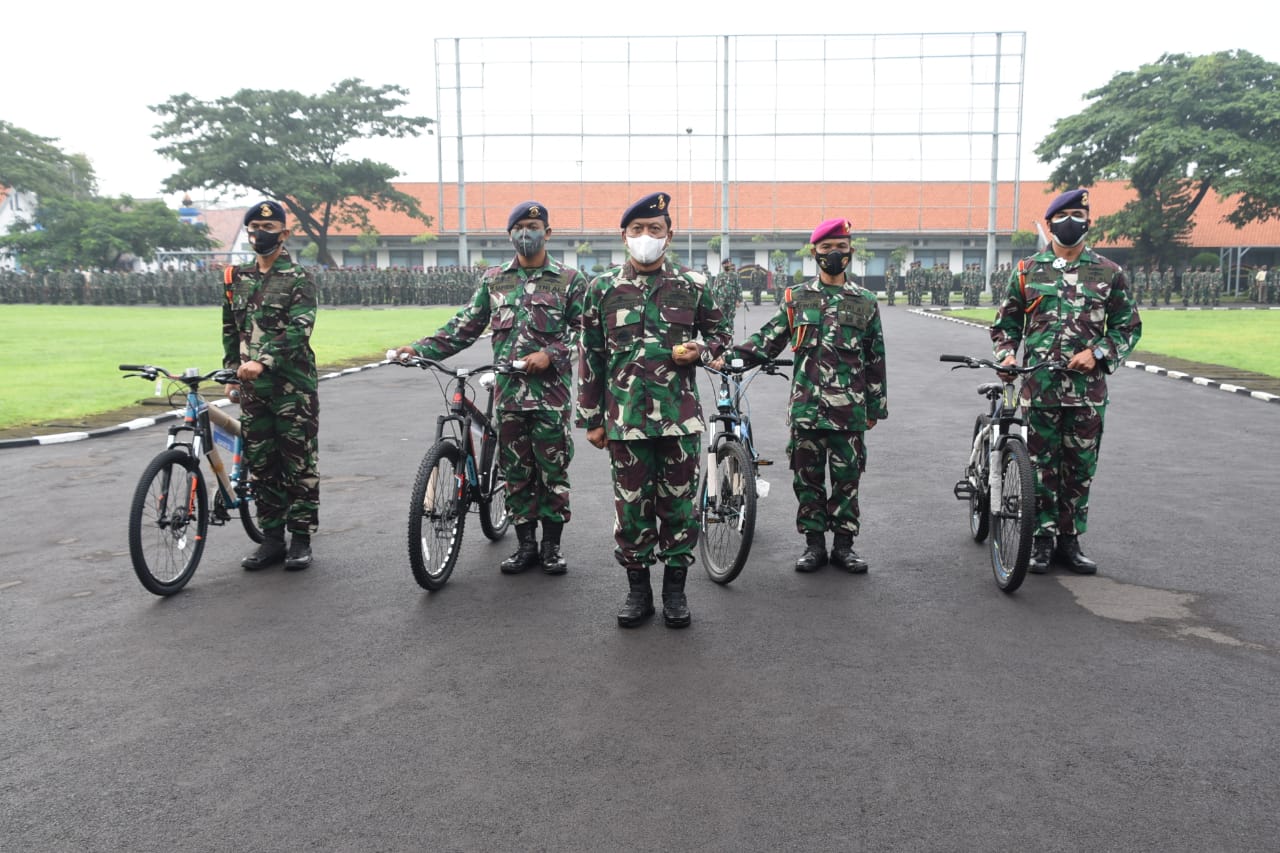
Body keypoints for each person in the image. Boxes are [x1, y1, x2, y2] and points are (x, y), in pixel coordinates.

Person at [395, 201, 586, 575]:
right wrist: (419, 349)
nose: (526, 233)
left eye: (533, 226)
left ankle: (551, 547)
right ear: (510, 234)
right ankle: (525, 545)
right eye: (519, 227)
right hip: (509, 397)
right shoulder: (494, 279)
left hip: (551, 398)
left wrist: (552, 353)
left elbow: (585, 331)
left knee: (551, 472)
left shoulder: (569, 280)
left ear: (547, 233)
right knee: (515, 472)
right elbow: (463, 327)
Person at [577, 191, 730, 629]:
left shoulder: (694, 285)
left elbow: (720, 336)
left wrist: (700, 348)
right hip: (624, 422)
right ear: (624, 236)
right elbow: (590, 356)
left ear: (669, 235)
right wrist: (590, 418)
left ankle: (676, 592)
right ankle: (637, 591)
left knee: (679, 508)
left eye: (655, 230)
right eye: (638, 230)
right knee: (632, 510)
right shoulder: (602, 288)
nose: (647, 237)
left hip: (679, 419)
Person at [992, 189, 1142, 574]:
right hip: (1039, 388)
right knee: (1041, 466)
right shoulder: (1028, 271)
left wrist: (1100, 353)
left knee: (1079, 468)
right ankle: (1040, 541)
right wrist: (1007, 355)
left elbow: (1128, 326)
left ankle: (1069, 541)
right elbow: (1007, 324)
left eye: (1078, 213)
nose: (1071, 221)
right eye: (1063, 215)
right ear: (1050, 223)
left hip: (1086, 393)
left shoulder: (1109, 272)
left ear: (1088, 221)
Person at [729, 218, 888, 574]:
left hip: (850, 410)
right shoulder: (797, 297)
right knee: (808, 479)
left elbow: (875, 357)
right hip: (807, 409)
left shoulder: (864, 302)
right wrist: (736, 357)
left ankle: (844, 547)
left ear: (851, 253)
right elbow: (770, 338)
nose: (834, 254)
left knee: (847, 480)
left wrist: (876, 406)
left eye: (841, 248)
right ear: (814, 252)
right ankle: (814, 545)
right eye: (827, 248)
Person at [224, 200, 320, 571]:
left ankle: (300, 538)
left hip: (292, 388)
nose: (259, 234)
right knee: (262, 464)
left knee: (297, 463)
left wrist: (261, 362)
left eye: (268, 229)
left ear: (284, 234)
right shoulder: (237, 278)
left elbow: (300, 329)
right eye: (254, 228)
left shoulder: (299, 278)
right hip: (252, 390)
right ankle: (271, 539)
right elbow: (230, 329)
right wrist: (234, 370)